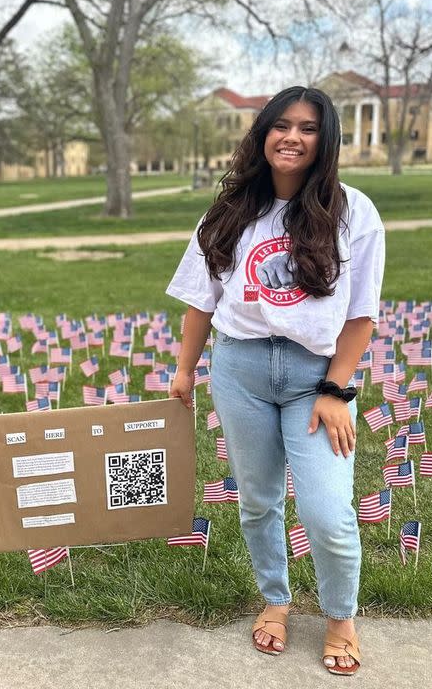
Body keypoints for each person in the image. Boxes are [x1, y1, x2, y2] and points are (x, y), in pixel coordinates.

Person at [166, 86, 385, 677]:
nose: (293, 137)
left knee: (326, 510)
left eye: (308, 128)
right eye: (281, 125)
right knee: (258, 500)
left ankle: (340, 615)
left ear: (326, 140)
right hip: (240, 370)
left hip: (314, 377)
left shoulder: (354, 213)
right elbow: (199, 301)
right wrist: (185, 370)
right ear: (263, 134)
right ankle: (276, 599)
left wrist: (337, 389)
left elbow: (361, 313)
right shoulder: (231, 210)